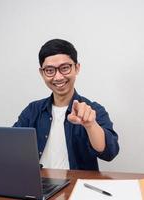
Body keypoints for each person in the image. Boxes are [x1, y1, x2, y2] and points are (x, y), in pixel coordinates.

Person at [13, 39, 119, 170]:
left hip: (76, 186)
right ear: (42, 73)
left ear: (77, 68)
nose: (58, 77)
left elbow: (109, 153)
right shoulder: (32, 110)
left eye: (64, 68)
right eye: (50, 70)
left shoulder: (92, 110)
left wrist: (90, 125)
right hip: (39, 186)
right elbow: (12, 148)